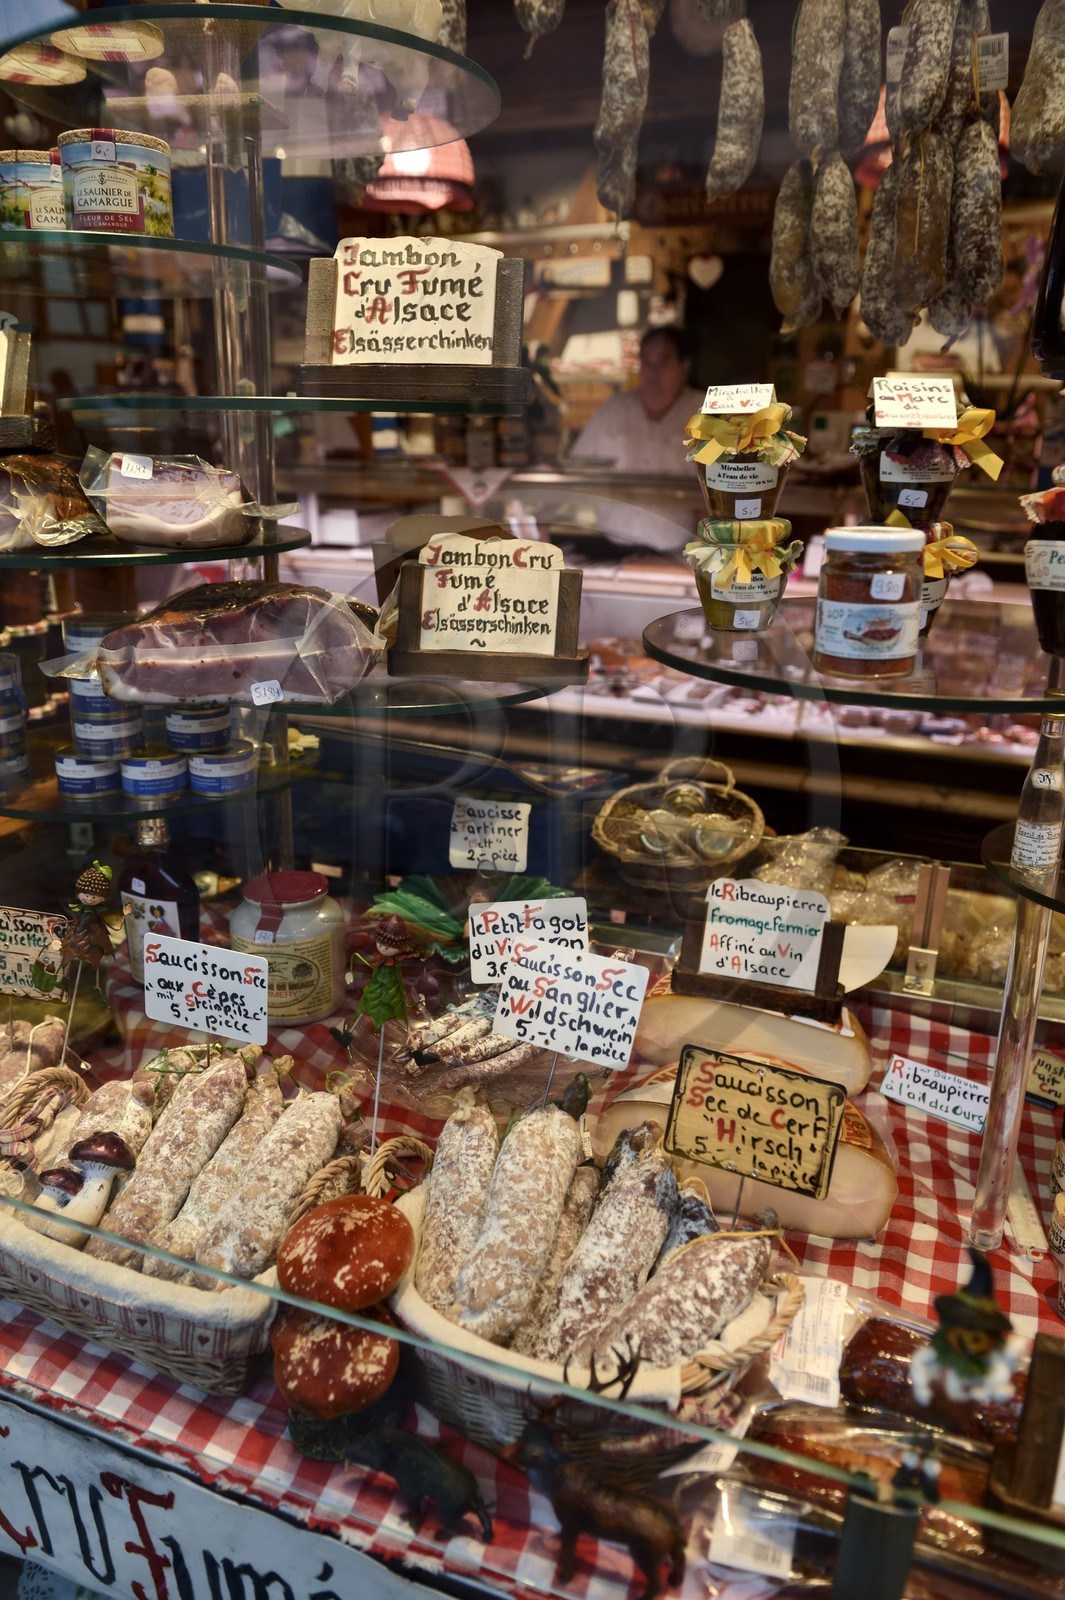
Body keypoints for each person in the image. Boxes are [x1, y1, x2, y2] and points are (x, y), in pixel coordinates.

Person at [568, 326, 704, 552]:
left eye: (663, 362)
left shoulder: (705, 413)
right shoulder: (612, 411)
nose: (653, 373)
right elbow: (576, 472)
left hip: (679, 551)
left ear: (684, 367)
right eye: (646, 363)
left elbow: (724, 487)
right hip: (612, 548)